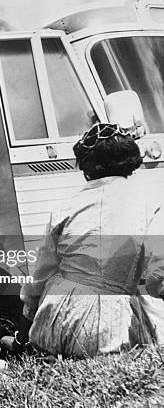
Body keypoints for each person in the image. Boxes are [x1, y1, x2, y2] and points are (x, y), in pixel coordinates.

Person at [9, 122, 164, 358]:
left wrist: (23, 340)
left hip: (53, 323)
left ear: (86, 168)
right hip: (106, 331)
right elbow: (157, 279)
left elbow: (37, 282)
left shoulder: (64, 207)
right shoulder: (149, 202)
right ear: (131, 163)